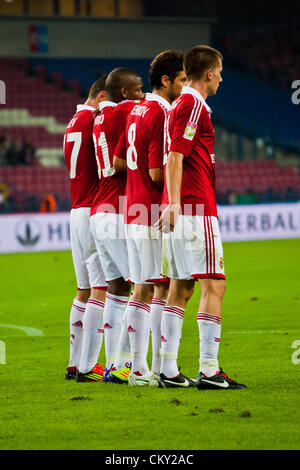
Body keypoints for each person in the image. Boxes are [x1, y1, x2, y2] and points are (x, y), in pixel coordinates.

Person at [156, 45, 247, 389]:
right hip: (194, 208)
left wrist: (170, 202)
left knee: (180, 289)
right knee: (215, 285)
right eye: (219, 71)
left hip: (180, 209)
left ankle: (168, 370)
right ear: (208, 73)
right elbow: (176, 156)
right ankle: (209, 370)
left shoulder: (178, 104)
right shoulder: (193, 104)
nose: (222, 78)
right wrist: (176, 202)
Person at [113, 51, 186, 386]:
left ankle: (144, 366)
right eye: (182, 80)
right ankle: (139, 368)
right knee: (148, 288)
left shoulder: (137, 109)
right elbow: (158, 172)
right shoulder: (162, 111)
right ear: (167, 81)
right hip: (151, 212)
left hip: (132, 208)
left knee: (151, 286)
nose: (185, 87)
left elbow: (123, 161)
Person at [89, 68, 144, 380]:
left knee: (118, 288)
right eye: (137, 90)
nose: (141, 94)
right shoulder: (125, 110)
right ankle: (123, 364)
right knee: (142, 285)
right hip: (116, 211)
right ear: (124, 92)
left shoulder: (99, 117)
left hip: (101, 209)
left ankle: (113, 364)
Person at [63, 76, 108, 382]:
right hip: (93, 211)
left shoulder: (72, 122)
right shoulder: (94, 121)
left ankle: (74, 362)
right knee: (102, 289)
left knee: (83, 291)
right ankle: (89, 366)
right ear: (102, 95)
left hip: (76, 210)